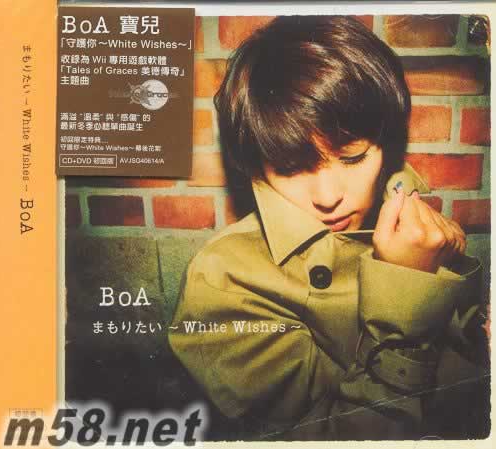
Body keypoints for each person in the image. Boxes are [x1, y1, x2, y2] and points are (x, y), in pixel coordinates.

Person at [168, 16, 489, 440]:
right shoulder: (225, 280)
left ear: (385, 144)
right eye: (290, 167)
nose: (328, 195)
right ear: (256, 161)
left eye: (352, 158)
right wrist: (407, 300)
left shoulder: (409, 216)